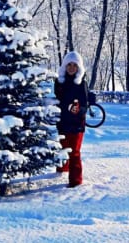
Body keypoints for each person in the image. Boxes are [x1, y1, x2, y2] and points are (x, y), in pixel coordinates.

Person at [54, 51, 89, 188]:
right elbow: (58, 99)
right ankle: (62, 168)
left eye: (75, 65)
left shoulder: (81, 83)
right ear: (64, 66)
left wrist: (78, 109)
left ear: (79, 67)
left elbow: (85, 105)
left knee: (74, 151)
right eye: (69, 65)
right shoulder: (59, 82)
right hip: (62, 122)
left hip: (77, 124)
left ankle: (75, 180)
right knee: (63, 148)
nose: (72, 68)